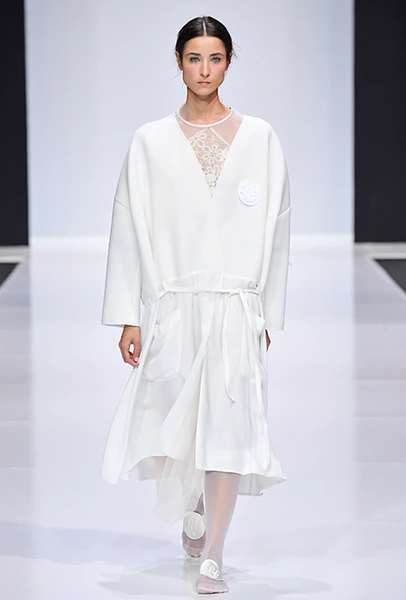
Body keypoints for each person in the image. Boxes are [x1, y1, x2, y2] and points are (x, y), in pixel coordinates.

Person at [101, 15, 291, 595]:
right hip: (174, 304)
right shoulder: (150, 141)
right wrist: (130, 315)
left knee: (227, 426)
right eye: (194, 58)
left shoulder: (259, 137)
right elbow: (128, 226)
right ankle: (193, 504)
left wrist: (267, 313)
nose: (204, 70)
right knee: (175, 426)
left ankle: (214, 554)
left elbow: (278, 227)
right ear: (178, 62)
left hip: (235, 304)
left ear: (229, 62)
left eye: (215, 58)